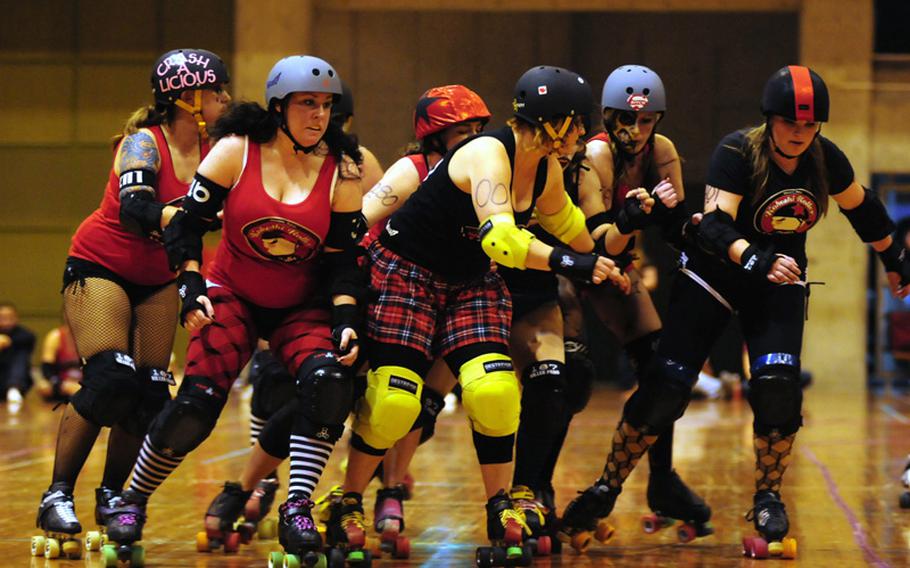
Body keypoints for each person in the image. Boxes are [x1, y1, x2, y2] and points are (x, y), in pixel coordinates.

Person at [559, 65, 910, 552]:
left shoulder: (824, 159)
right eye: (790, 123)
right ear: (770, 119)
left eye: (809, 126)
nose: (799, 134)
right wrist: (757, 258)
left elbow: (864, 207)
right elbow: (715, 227)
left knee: (778, 387)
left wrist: (894, 257)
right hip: (715, 274)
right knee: (666, 389)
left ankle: (768, 497)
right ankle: (605, 488)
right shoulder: (737, 151)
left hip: (777, 277)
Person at [332, 65, 625, 562]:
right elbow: (501, 238)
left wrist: (615, 249)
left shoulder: (547, 169)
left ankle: (500, 504)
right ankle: (346, 501)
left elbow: (576, 229)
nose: (582, 135)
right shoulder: (488, 151)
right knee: (395, 403)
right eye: (576, 124)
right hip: (408, 275)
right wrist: (576, 263)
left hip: (470, 282)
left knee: (494, 392)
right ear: (553, 122)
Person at [103, 55, 366, 564]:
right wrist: (190, 285)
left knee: (330, 385)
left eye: (327, 105)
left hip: (300, 304)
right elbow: (185, 223)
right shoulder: (236, 151)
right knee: (194, 408)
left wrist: (348, 319)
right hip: (232, 293)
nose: (319, 116)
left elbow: (345, 262)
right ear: (278, 107)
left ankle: (296, 507)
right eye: (307, 104)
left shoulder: (343, 169)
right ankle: (132, 500)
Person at [30, 48, 230, 559]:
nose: (226, 99)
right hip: (102, 264)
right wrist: (189, 218)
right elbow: (136, 208)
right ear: (188, 99)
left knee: (149, 394)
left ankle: (112, 495)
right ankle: (56, 495)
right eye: (218, 91)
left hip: (158, 276)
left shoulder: (216, 151)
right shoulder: (143, 142)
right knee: (111, 379)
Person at [36, 318, 82, 403]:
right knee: (43, 387)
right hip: (62, 382)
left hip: (84, 382)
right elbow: (47, 368)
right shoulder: (55, 336)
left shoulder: (91, 338)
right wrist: (60, 384)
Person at [0, 302, 36, 406]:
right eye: (2, 318)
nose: (5, 322)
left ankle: (13, 388)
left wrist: (7, 341)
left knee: (20, 354)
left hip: (17, 381)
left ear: (16, 318)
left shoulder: (24, 334)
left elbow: (29, 339)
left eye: (9, 318)